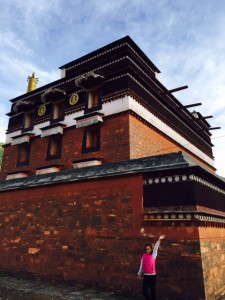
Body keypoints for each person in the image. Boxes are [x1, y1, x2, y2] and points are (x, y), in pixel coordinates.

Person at [138, 234, 165, 300]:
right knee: (144, 292)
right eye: (146, 249)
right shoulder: (144, 255)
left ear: (151, 249)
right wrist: (139, 273)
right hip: (146, 276)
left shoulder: (153, 255)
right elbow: (142, 264)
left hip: (152, 276)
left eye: (149, 249)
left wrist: (159, 239)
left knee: (153, 291)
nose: (147, 250)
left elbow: (156, 247)